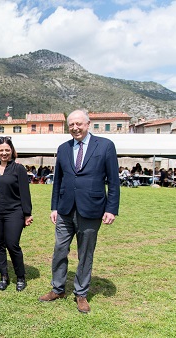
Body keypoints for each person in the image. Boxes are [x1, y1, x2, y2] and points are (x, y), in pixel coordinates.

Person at [38, 109, 120, 313]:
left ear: (88, 123)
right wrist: (54, 206)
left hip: (91, 209)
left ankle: (81, 293)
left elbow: (113, 181)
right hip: (65, 210)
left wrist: (111, 209)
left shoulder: (105, 146)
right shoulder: (63, 148)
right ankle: (58, 288)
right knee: (59, 250)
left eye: (78, 124)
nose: (75, 128)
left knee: (85, 253)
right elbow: (58, 180)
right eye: (71, 125)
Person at [0, 136, 33, 291]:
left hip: (14, 212)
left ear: (12, 151)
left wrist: (27, 213)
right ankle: (4, 276)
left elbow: (25, 193)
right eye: (1, 150)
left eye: (7, 150)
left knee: (12, 244)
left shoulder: (18, 168)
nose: (4, 153)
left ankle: (20, 276)